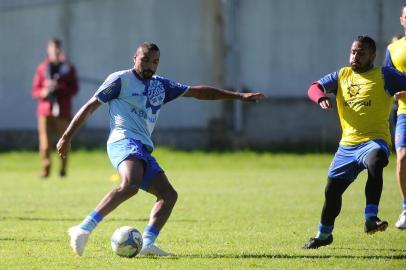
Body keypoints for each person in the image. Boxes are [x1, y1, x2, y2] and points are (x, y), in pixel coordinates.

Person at [56, 42, 265, 256]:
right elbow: (91, 106)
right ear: (134, 58)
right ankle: (82, 229)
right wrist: (66, 136)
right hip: (123, 140)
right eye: (145, 59)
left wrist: (238, 96)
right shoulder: (120, 80)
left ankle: (146, 244)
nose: (150, 65)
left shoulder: (160, 86)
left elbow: (199, 93)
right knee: (130, 185)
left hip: (142, 148)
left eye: (155, 62)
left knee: (168, 195)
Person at [304, 35, 406, 249]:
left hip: (373, 141)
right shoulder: (342, 75)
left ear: (372, 55)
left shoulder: (384, 75)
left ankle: (371, 218)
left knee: (376, 160)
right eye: (353, 52)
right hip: (347, 146)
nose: (355, 56)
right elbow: (314, 87)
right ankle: (324, 235)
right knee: (332, 192)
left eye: (361, 53)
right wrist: (321, 97)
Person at [32, 38, 79, 178]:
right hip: (45, 111)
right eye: (52, 48)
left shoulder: (68, 67)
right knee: (44, 144)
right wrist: (44, 92)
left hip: (62, 111)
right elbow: (35, 90)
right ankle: (45, 169)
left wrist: (59, 88)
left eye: (57, 48)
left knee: (63, 141)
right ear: (48, 49)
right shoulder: (42, 68)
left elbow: (74, 89)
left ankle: (63, 169)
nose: (55, 51)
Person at [384, 2, 406, 229]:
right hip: (404, 112)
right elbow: (386, 80)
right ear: (402, 20)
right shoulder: (394, 49)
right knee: (402, 158)